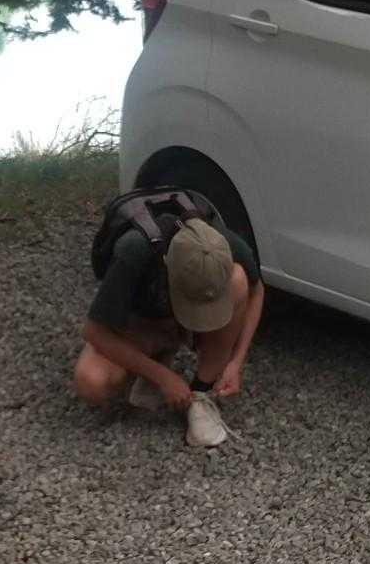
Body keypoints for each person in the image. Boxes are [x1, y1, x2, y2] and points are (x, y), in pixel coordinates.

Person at [73, 188, 265, 447]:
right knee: (92, 382)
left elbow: (257, 289)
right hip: (139, 321)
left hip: (171, 316)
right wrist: (161, 376)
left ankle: (201, 391)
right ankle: (154, 357)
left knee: (238, 280)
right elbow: (93, 331)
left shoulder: (218, 242)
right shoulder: (134, 250)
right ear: (166, 264)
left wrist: (235, 363)